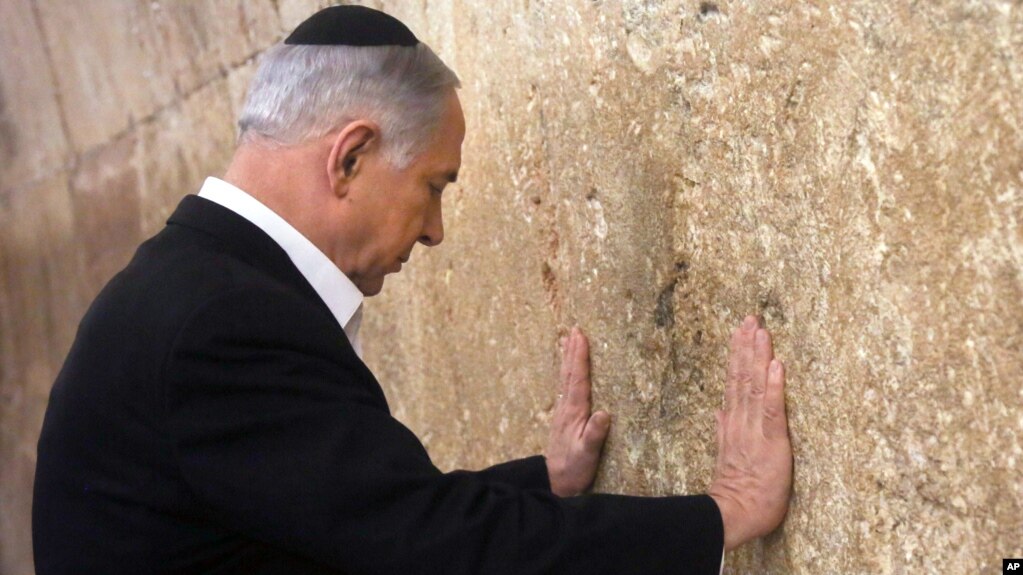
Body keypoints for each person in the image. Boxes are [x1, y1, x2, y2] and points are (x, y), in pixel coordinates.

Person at [32, 5, 792, 574]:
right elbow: (432, 549)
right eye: (433, 186)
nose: (434, 231)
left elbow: (348, 516)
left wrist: (545, 482)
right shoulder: (225, 321)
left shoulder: (187, 284)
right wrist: (718, 515)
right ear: (351, 157)